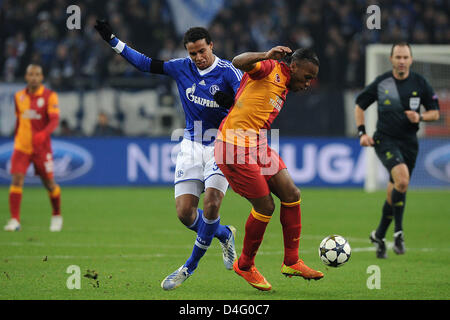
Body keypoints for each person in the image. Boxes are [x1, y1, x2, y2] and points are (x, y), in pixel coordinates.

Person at [94, 20, 242, 289]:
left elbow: (247, 109)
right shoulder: (181, 67)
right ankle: (224, 234)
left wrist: (231, 105)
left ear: (212, 45)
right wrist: (113, 41)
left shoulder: (229, 73)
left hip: (222, 145)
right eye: (192, 53)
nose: (197, 57)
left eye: (201, 51)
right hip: (191, 146)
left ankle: (189, 266)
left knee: (211, 203)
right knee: (186, 214)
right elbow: (145, 64)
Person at [214, 46, 324, 291]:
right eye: (307, 77)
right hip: (233, 145)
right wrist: (265, 55)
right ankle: (244, 264)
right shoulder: (269, 69)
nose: (308, 84)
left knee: (292, 194)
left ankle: (292, 261)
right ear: (293, 66)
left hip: (257, 144)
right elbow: (237, 60)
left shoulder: (284, 84)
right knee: (265, 206)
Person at [355, 42, 440, 258]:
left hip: (409, 142)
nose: (401, 61)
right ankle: (398, 233)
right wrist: (362, 133)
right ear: (391, 59)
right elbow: (360, 104)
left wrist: (420, 116)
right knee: (402, 181)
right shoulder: (383, 82)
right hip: (385, 140)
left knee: (396, 190)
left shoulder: (420, 83)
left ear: (411, 60)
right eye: (398, 57)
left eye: (405, 57)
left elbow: (435, 113)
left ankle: (379, 235)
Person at [4, 64, 62, 232]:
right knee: (16, 180)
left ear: (42, 77)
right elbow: (19, 120)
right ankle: (15, 220)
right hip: (21, 146)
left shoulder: (50, 96)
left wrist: (43, 134)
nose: (34, 77)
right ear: (26, 77)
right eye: (31, 74)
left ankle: (56, 215)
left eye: (37, 74)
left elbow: (54, 121)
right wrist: (16, 137)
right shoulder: (18, 96)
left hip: (41, 149)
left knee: (49, 184)